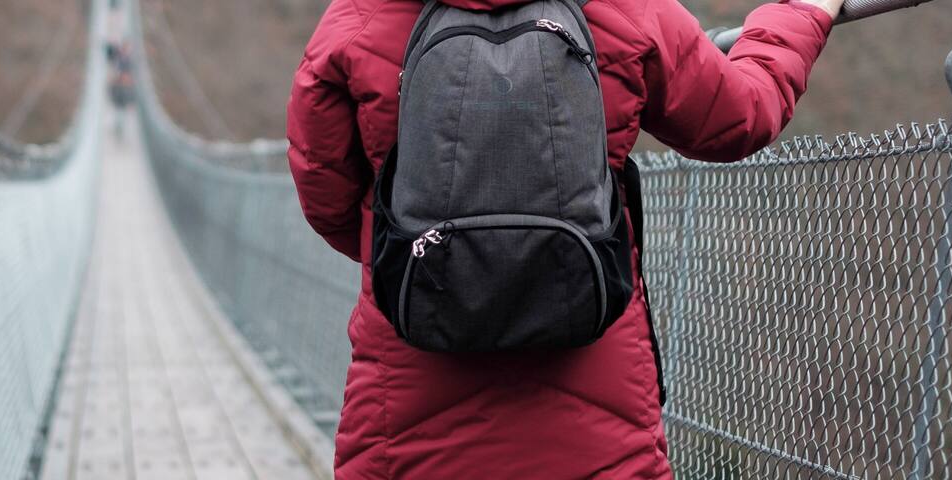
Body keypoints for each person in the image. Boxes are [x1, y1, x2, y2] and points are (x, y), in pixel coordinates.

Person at [284, 0, 844, 477]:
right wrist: (803, 13)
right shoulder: (625, 10)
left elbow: (327, 196)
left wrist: (433, 263)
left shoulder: (360, 18)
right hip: (601, 415)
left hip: (406, 407)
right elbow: (740, 114)